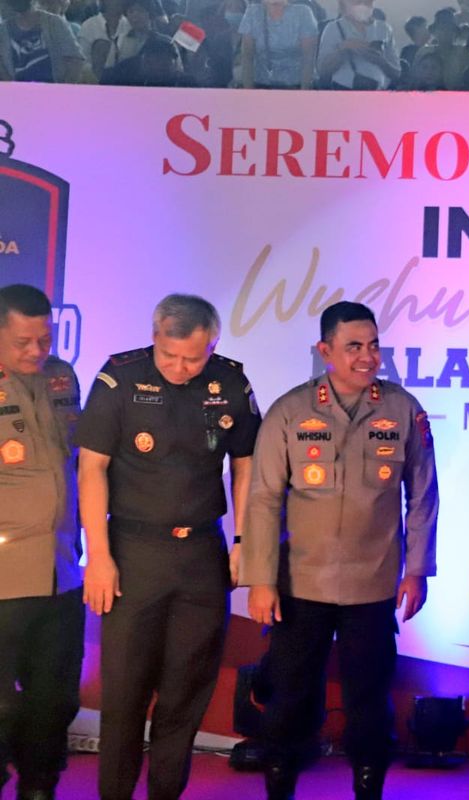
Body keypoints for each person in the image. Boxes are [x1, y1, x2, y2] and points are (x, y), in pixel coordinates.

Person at [240, 301, 438, 800]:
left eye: (373, 345)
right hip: (300, 586)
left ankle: (368, 789)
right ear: (325, 351)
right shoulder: (290, 410)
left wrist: (417, 570)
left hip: (373, 586)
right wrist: (260, 579)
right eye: (354, 347)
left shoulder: (402, 409)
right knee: (289, 699)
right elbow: (263, 499)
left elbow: (423, 494)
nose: (367, 357)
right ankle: (279, 789)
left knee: (369, 703)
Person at [77, 294, 260, 800]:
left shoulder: (230, 383)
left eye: (193, 359)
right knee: (124, 694)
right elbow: (91, 468)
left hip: (201, 555)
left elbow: (245, 465)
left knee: (186, 693)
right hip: (133, 553)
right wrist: (99, 556)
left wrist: (243, 541)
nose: (180, 368)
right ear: (154, 336)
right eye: (170, 356)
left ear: (213, 345)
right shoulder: (119, 379)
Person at [0, 285, 84, 800]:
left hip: (61, 572)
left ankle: (39, 788)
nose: (37, 351)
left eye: (44, 339)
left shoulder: (62, 377)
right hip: (4, 578)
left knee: (54, 702)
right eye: (22, 342)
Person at [316, 0, 402, 89]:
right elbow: (322, 71)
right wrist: (344, 49)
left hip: (378, 91)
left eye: (367, 2)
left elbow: (397, 73)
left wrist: (380, 60)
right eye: (357, 2)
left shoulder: (384, 29)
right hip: (344, 90)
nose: (362, 5)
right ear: (344, 3)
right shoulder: (333, 28)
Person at [238, 0, 318, 88]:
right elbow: (247, 57)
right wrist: (248, 91)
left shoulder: (303, 13)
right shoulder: (252, 13)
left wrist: (304, 92)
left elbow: (308, 58)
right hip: (260, 84)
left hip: (296, 85)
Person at [0, 0, 84, 82]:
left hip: (53, 86)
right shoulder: (3, 31)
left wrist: (63, 88)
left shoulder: (54, 22)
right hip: (18, 89)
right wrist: (13, 87)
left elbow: (76, 60)